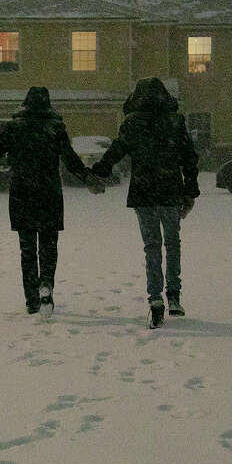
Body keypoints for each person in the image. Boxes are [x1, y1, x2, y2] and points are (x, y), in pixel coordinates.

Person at [0, 87, 101, 315]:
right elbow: (70, 159)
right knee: (48, 246)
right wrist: (88, 178)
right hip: (49, 192)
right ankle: (46, 284)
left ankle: (32, 300)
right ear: (48, 105)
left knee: (27, 249)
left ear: (25, 103)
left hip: (22, 193)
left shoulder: (14, 128)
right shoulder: (55, 128)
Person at [90, 77, 199, 329]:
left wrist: (97, 173)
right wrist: (190, 191)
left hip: (144, 191)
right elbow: (189, 158)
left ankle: (155, 298)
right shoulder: (174, 122)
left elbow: (116, 151)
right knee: (172, 243)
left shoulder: (133, 123)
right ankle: (174, 295)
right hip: (170, 190)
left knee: (152, 246)